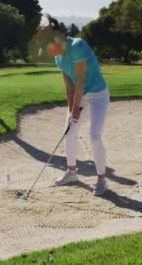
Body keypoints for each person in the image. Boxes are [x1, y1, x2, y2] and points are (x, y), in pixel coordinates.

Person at [41, 16, 111, 196]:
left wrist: (76, 109)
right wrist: (70, 110)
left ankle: (102, 179)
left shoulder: (77, 46)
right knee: (69, 131)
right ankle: (72, 173)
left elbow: (81, 80)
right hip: (81, 95)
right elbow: (69, 86)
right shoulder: (59, 58)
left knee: (94, 136)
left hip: (97, 96)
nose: (47, 50)